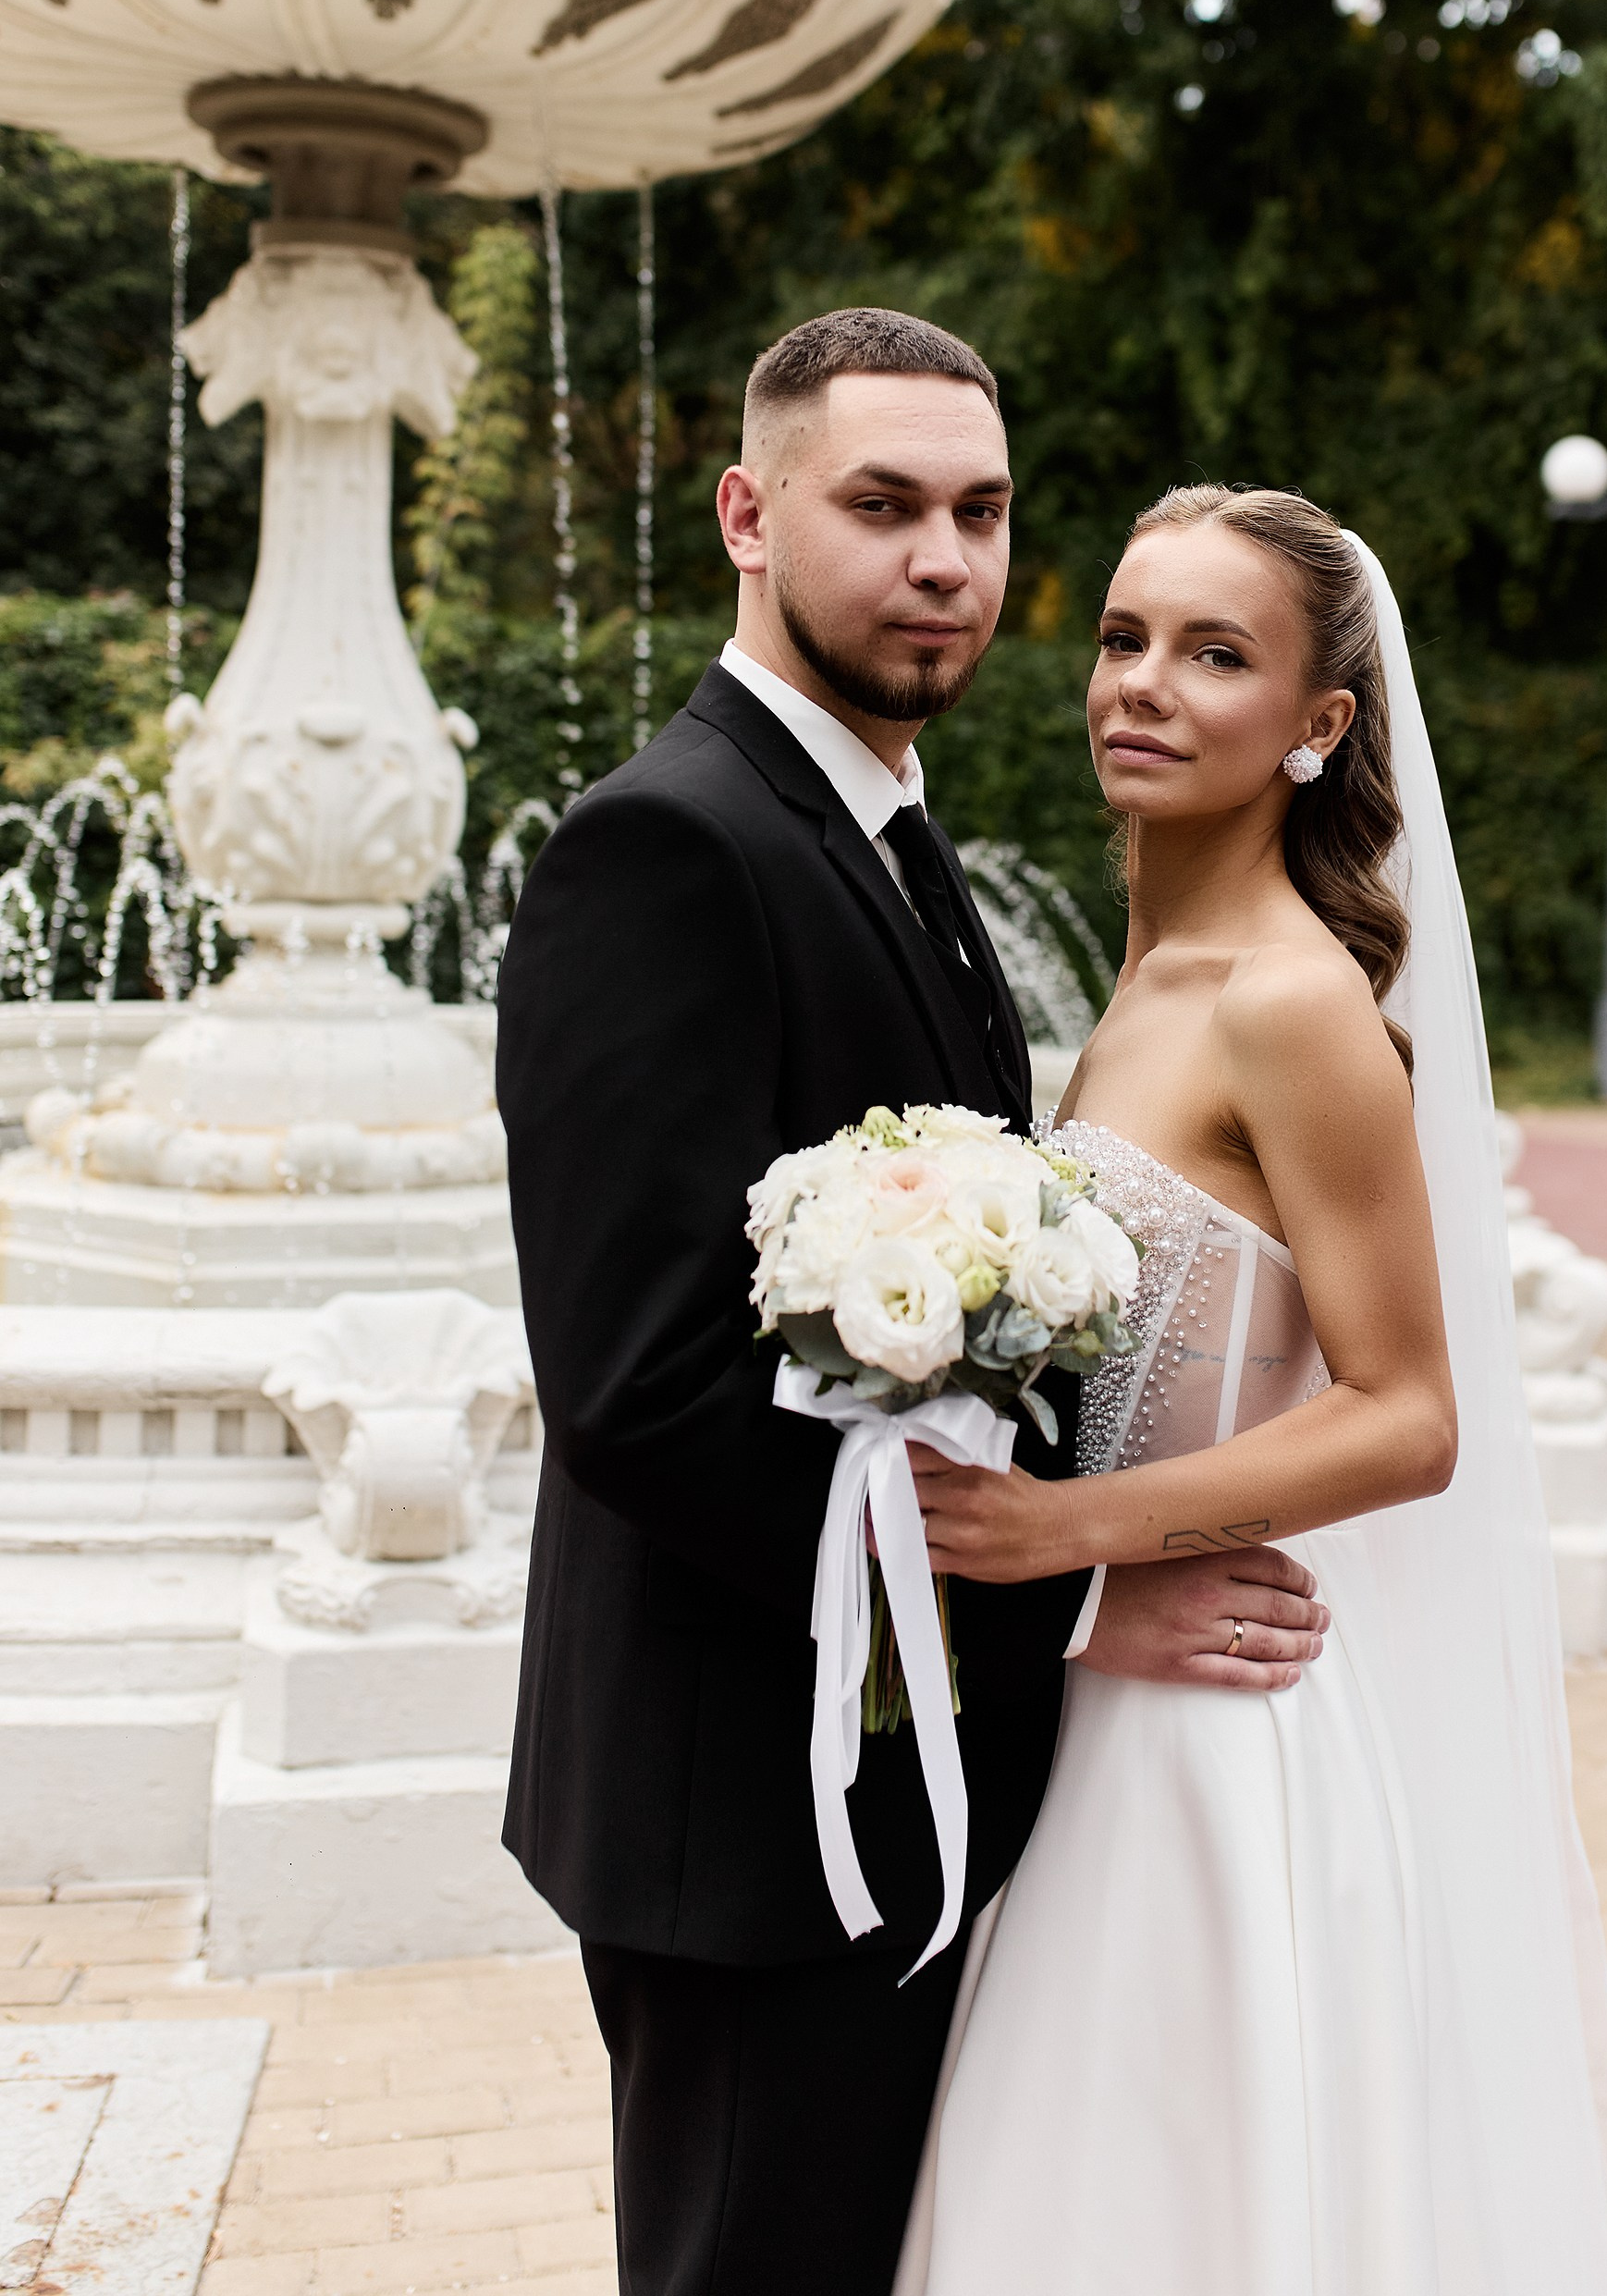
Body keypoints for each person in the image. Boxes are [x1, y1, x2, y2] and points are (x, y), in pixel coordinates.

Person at [495, 318, 1328, 2296]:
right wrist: (1066, 1588)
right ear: (749, 515)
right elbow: (639, 1393)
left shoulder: (884, 830)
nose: (943, 559)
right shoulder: (665, 846)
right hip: (748, 1818)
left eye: (979, 510)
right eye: (880, 507)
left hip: (882, 1781)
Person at [898, 485, 1607, 2295]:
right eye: (1123, 637)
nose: (1141, 687)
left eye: (1214, 654)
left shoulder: (1288, 1006)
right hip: (1099, 1699)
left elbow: (1410, 1412)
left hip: (1211, 1744)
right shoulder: (1148, 981)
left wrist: (1063, 1532)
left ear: (1319, 726)